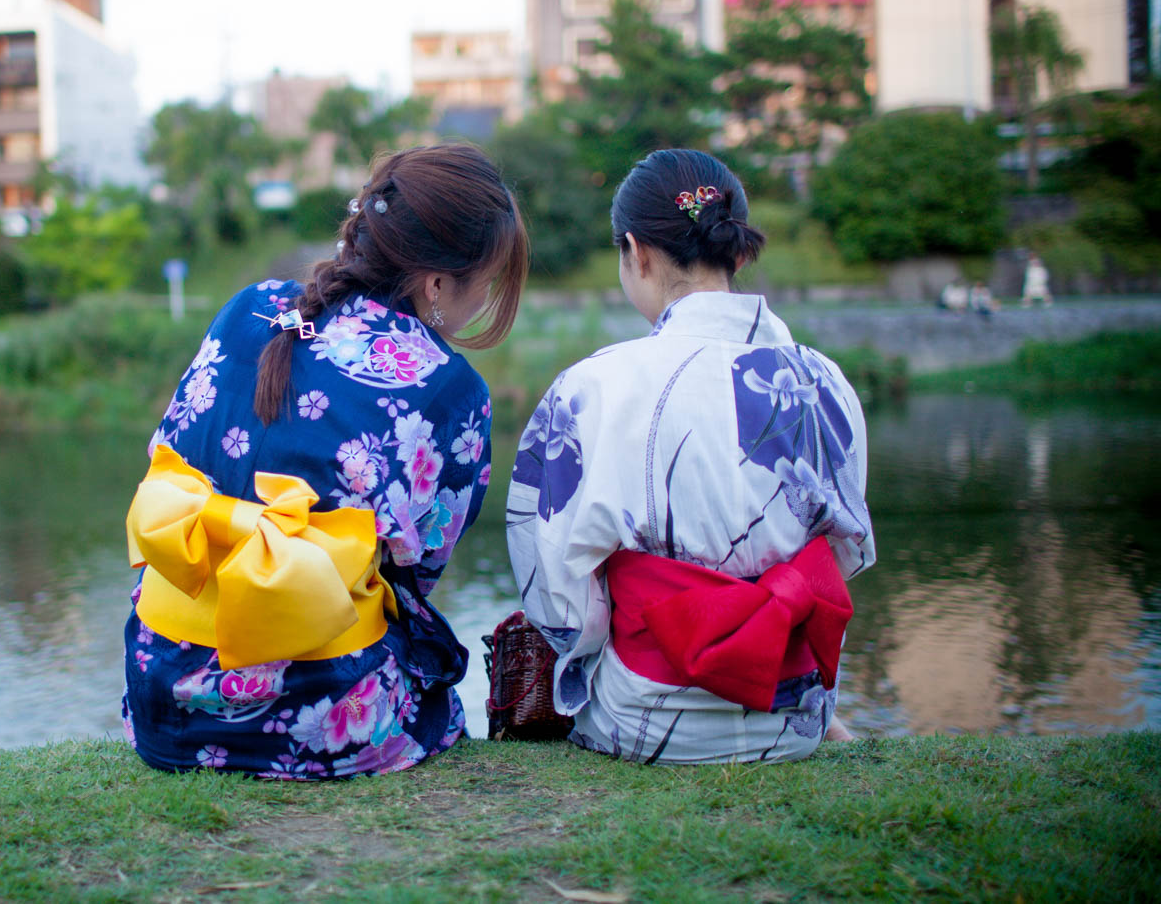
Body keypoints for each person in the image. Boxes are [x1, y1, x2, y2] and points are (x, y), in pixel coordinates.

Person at [123, 144, 529, 779]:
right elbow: (416, 571)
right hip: (318, 709)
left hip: (162, 689)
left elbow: (168, 456)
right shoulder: (450, 387)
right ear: (438, 282)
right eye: (489, 279)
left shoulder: (251, 307)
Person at [507, 149, 875, 765]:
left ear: (636, 251)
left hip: (643, 718)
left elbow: (552, 581)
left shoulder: (594, 385)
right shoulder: (821, 378)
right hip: (793, 712)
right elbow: (843, 551)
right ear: (736, 248)